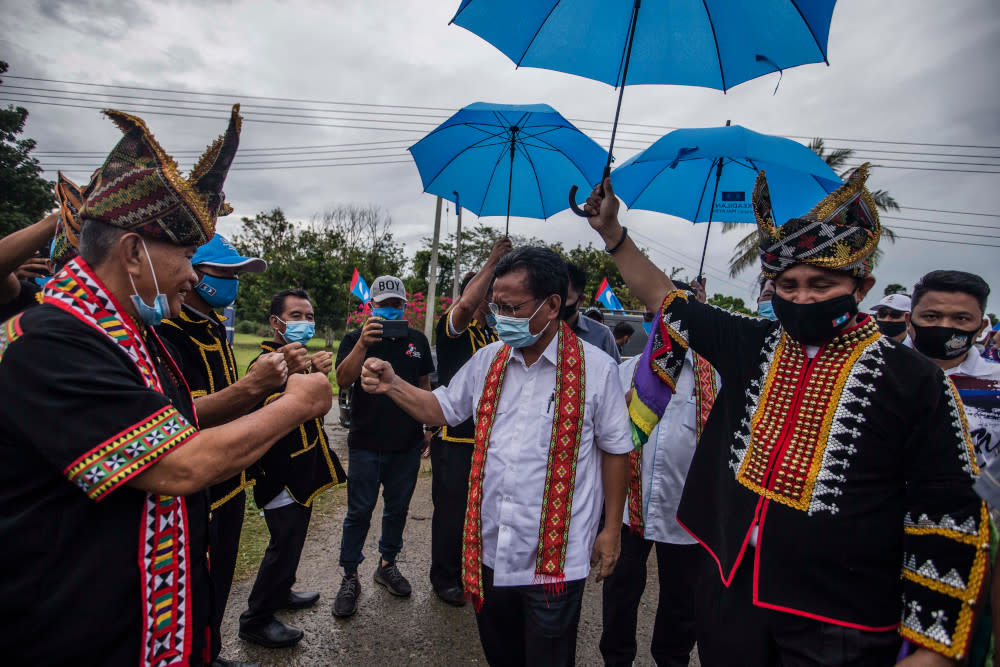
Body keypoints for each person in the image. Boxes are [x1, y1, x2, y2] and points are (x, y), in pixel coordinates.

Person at [582, 166, 988, 664]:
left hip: (842, 616)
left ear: (861, 286)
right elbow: (667, 300)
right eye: (787, 285)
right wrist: (612, 233)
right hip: (732, 591)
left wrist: (935, 650)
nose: (802, 298)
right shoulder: (755, 343)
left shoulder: (916, 381)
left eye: (820, 283)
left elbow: (948, 514)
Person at [0, 106, 332, 666]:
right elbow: (178, 465)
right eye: (184, 256)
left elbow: (172, 424)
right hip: (73, 632)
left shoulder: (132, 332)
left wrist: (252, 392)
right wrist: (292, 406)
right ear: (132, 253)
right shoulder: (52, 340)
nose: (194, 276)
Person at [360, 246, 631, 666]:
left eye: (512, 307)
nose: (500, 316)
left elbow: (616, 450)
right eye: (496, 306)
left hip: (555, 556)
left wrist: (611, 529)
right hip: (490, 546)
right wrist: (393, 384)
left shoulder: (597, 370)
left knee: (548, 657)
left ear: (553, 304)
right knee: (500, 654)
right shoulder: (489, 360)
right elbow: (442, 409)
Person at [156, 231, 294, 665]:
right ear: (193, 273)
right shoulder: (169, 331)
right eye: (225, 273)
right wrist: (254, 388)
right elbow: (183, 413)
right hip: (196, 479)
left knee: (219, 577)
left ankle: (209, 650)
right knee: (194, 582)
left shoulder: (213, 327)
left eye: (239, 273)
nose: (234, 282)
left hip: (230, 479)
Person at [600, 280, 720, 667]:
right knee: (620, 592)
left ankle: (671, 659)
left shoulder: (714, 377)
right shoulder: (626, 370)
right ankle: (616, 658)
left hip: (685, 513)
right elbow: (605, 433)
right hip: (628, 508)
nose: (662, 327)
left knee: (681, 601)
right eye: (656, 318)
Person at [238, 289, 346, 647]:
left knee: (294, 539)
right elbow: (261, 415)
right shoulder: (265, 366)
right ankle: (257, 618)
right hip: (278, 474)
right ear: (276, 323)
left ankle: (281, 591)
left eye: (309, 316)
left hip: (302, 472)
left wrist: (313, 372)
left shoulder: (299, 363)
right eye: (296, 316)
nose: (305, 323)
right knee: (283, 543)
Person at [333, 274, 435, 618]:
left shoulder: (418, 340)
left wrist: (428, 428)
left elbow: (424, 385)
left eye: (396, 306)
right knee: (358, 512)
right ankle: (349, 575)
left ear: (404, 307)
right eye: (383, 306)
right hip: (365, 442)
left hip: (405, 443)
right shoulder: (354, 338)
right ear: (371, 307)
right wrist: (362, 344)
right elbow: (343, 379)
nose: (390, 312)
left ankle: (387, 563)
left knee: (397, 509)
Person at [429, 237, 511, 606]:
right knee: (451, 512)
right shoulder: (454, 328)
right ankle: (445, 578)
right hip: (457, 438)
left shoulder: (496, 333)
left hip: (491, 440)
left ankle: (472, 570)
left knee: (482, 511)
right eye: (488, 291)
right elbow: (463, 305)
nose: (491, 299)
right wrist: (494, 259)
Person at [908, 271, 1000, 470]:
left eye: (961, 318)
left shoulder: (997, 383)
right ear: (909, 321)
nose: (944, 326)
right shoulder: (875, 376)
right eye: (931, 316)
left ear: (981, 327)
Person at [0, 172, 84, 320]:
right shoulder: (35, 299)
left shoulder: (123, 309)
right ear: (50, 265)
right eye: (72, 263)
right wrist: (65, 214)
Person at [565, 262, 620, 361]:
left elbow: (615, 373)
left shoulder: (602, 334)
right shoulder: (539, 331)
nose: (556, 304)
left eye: (565, 298)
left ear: (581, 300)